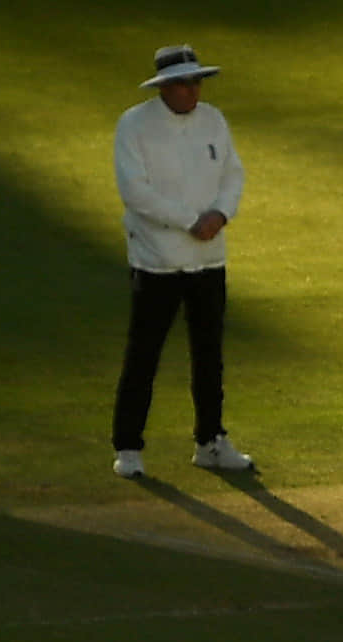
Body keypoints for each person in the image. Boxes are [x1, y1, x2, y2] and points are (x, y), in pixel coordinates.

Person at [108, 48, 257, 483]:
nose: (191, 90)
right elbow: (135, 192)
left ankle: (211, 441)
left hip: (209, 259)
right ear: (164, 87)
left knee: (209, 356)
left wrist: (221, 214)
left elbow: (233, 174)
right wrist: (190, 220)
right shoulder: (134, 125)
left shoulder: (213, 119)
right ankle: (128, 446)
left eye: (196, 82)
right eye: (182, 83)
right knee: (144, 355)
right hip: (157, 260)